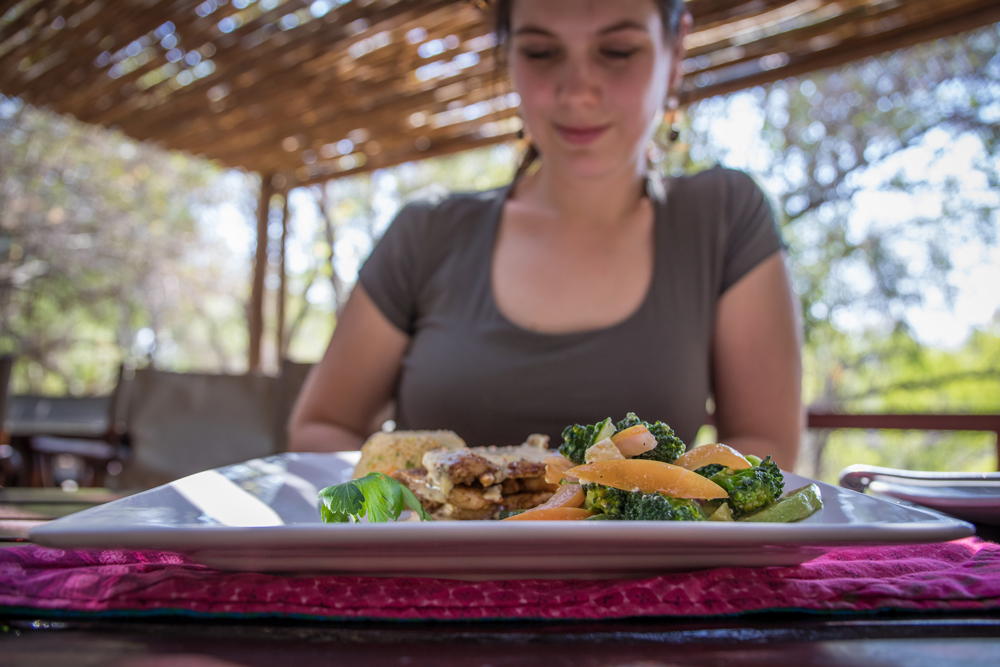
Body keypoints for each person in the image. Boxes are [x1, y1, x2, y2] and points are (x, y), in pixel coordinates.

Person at [289, 0, 803, 470]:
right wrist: (425, 500)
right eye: (540, 52)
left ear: (675, 52)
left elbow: (767, 445)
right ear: (509, 55)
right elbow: (319, 427)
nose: (578, 90)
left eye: (618, 51)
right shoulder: (425, 233)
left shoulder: (723, 219)